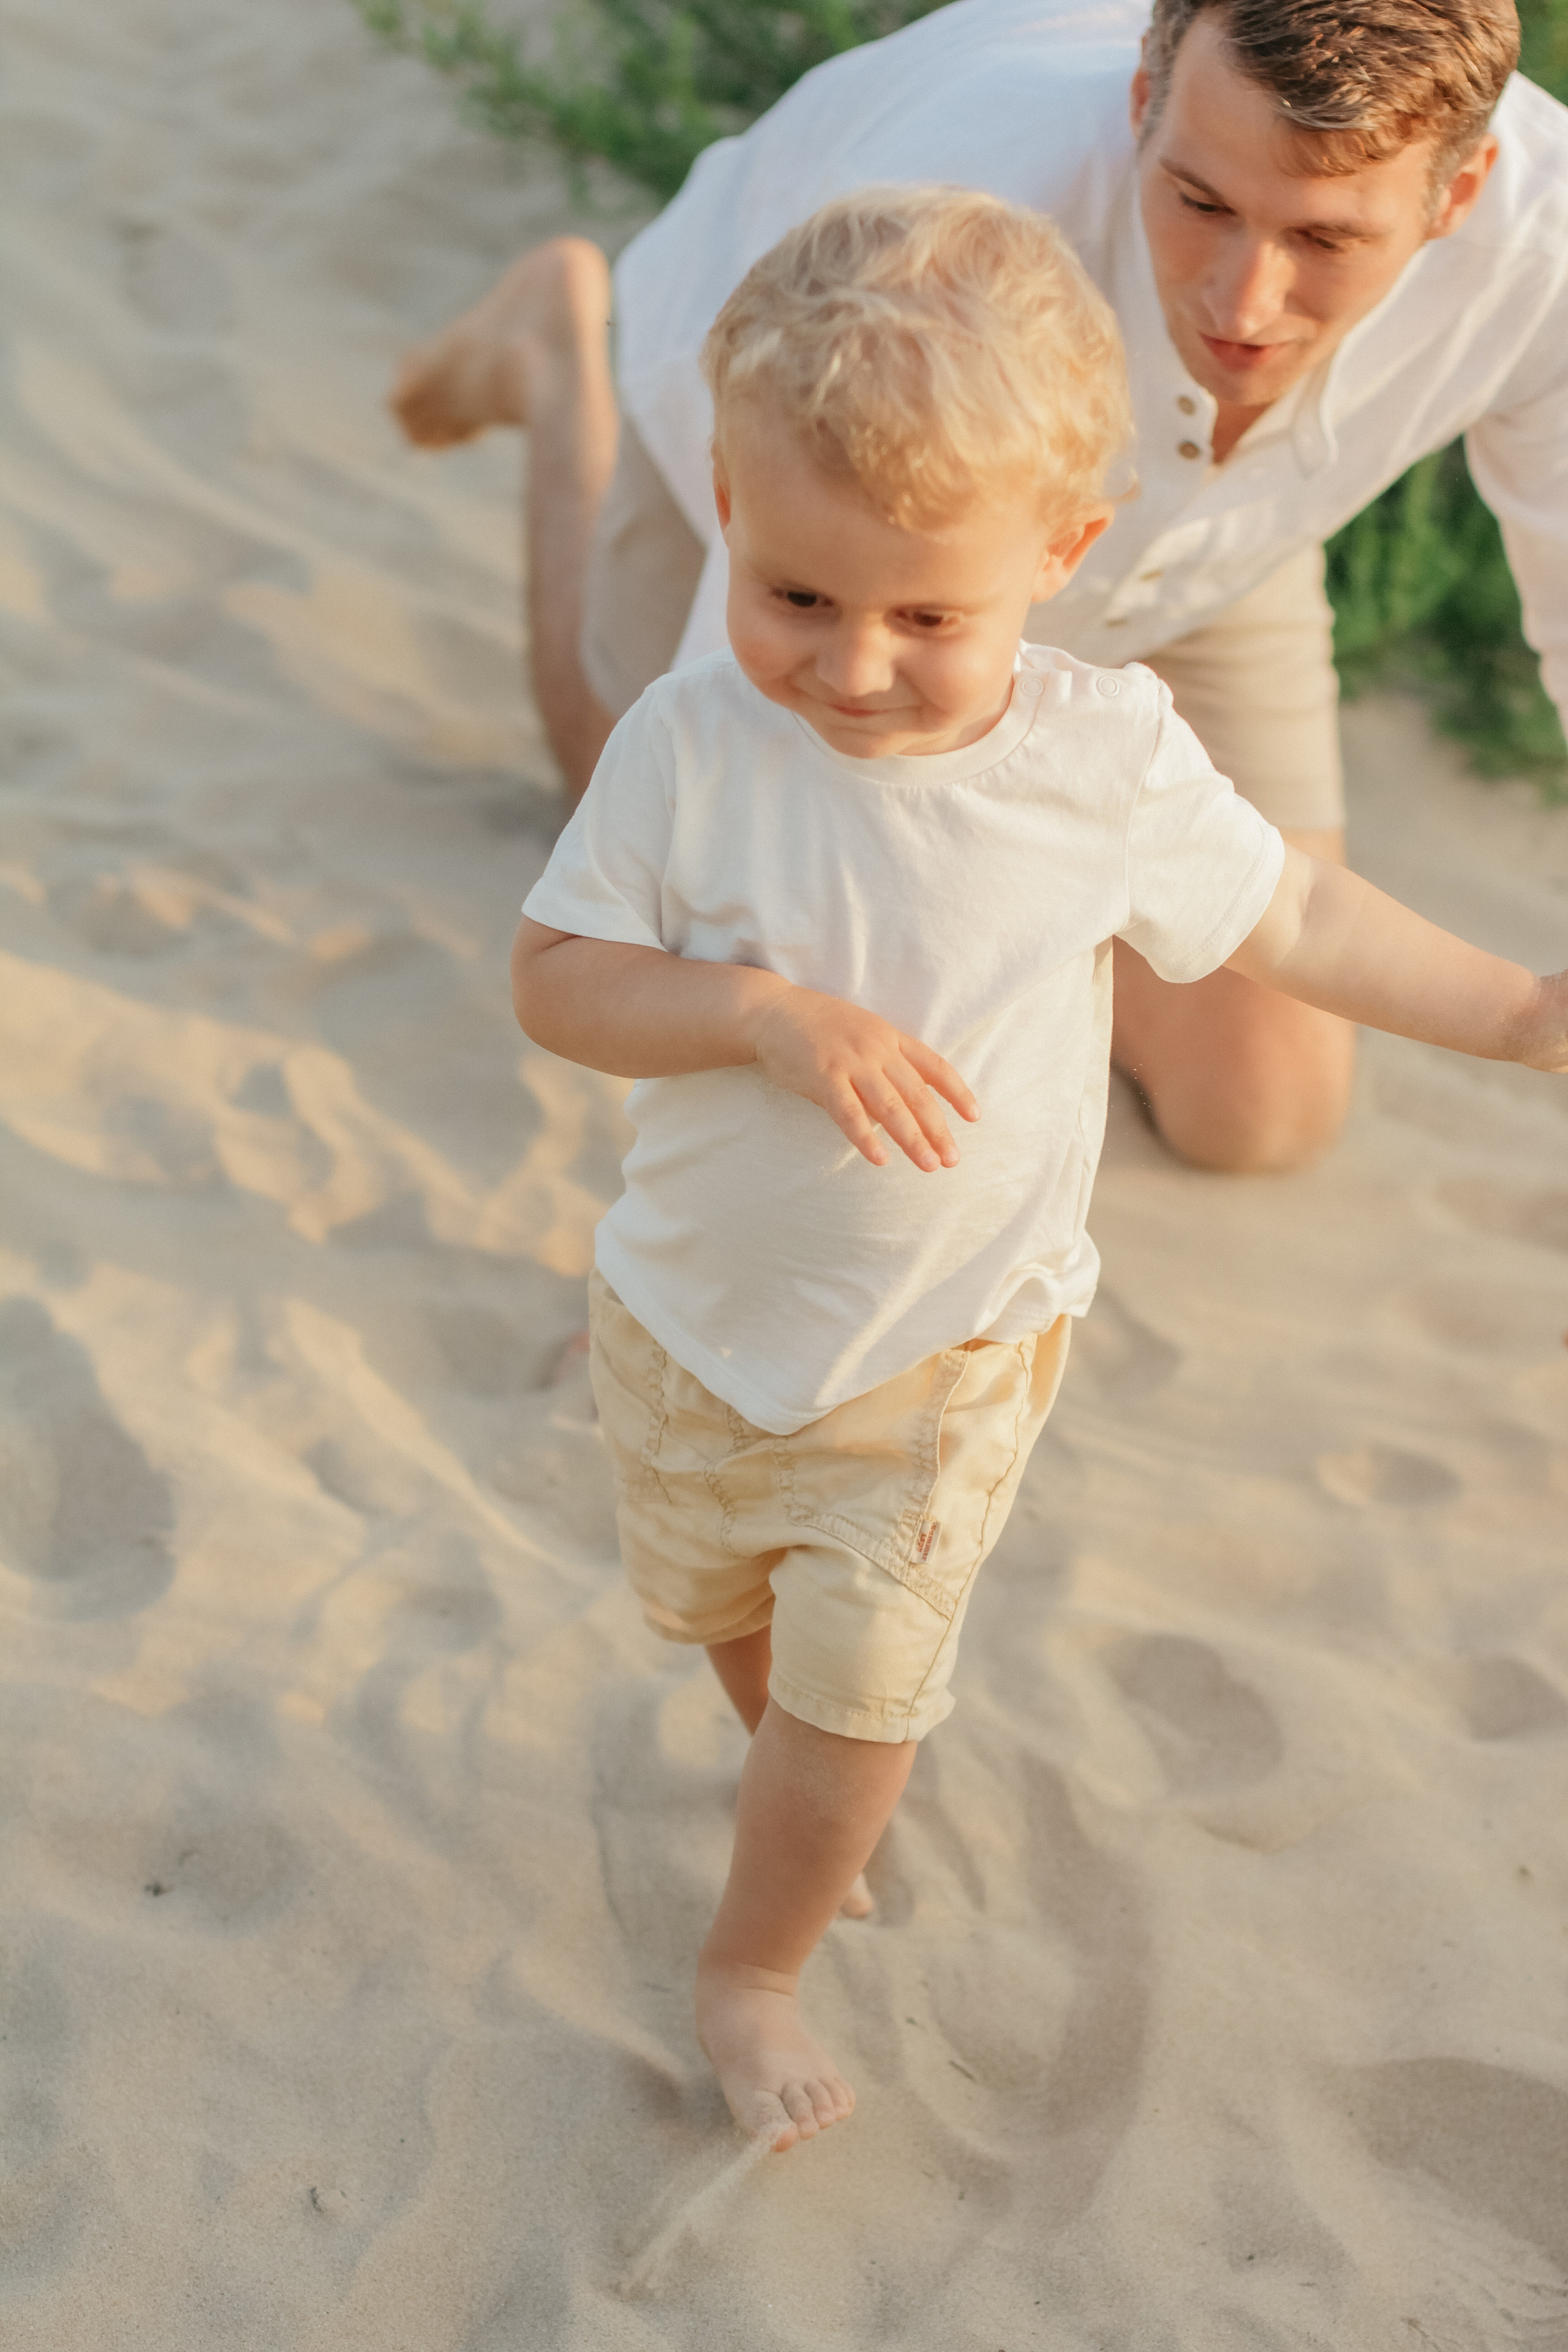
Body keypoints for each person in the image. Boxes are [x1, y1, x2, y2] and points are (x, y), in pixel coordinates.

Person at [508, 187, 1567, 2152]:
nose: (853, 667)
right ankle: (803, 1803)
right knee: (726, 1625)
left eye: (932, 617)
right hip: (686, 1321)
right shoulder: (690, 738)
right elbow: (558, 982)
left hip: (939, 1367)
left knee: (855, 1708)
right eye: (802, 598)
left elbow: (1297, 920)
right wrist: (755, 1014)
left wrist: (1517, 1011)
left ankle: (755, 1962)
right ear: (733, 512)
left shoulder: (1101, 765)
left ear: (1060, 557)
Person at [393, 0, 1562, 1178]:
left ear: (1455, 199)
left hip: (1217, 535)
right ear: (1144, 101)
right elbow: (741, 808)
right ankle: (561, 365)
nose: (1242, 304)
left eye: (1324, 239)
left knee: (1258, 1116)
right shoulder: (953, 200)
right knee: (648, 817)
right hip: (827, 509)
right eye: (1200, 202)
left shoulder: (1549, 252)